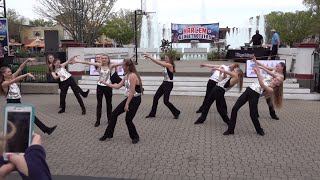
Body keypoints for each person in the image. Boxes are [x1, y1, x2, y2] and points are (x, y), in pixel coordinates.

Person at [223, 56, 284, 136]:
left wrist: (257, 73)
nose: (275, 79)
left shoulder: (271, 89)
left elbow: (262, 84)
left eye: (277, 80)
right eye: (275, 79)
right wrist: (255, 62)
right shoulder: (268, 80)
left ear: (278, 84)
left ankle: (259, 130)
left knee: (253, 114)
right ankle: (231, 130)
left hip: (254, 94)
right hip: (249, 90)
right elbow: (261, 77)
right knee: (235, 108)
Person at [0, 59, 57, 135]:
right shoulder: (4, 83)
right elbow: (15, 80)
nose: (11, 73)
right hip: (11, 104)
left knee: (29, 116)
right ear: (4, 74)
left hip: (18, 102)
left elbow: (20, 68)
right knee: (18, 120)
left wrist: (27, 60)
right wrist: (26, 74)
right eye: (8, 72)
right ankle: (18, 135)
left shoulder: (11, 77)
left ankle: (46, 130)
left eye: (10, 71)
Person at [99, 59, 143, 144]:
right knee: (114, 114)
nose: (121, 67)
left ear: (127, 66)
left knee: (128, 119)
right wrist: (105, 83)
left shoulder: (133, 76)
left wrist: (126, 104)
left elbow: (132, 91)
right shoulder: (127, 75)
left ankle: (135, 137)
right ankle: (108, 134)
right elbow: (118, 86)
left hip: (135, 100)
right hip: (130, 98)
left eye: (123, 65)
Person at [73, 54, 123, 127]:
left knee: (109, 104)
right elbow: (88, 63)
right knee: (99, 104)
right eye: (102, 58)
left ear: (108, 59)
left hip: (108, 86)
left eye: (105, 58)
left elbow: (121, 63)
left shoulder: (111, 66)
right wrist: (77, 61)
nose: (104, 59)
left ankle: (109, 119)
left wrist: (130, 61)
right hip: (100, 87)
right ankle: (98, 121)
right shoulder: (99, 65)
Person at [143, 52, 181, 119]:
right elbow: (160, 63)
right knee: (155, 97)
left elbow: (158, 63)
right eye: (165, 58)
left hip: (169, 84)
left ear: (170, 59)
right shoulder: (166, 65)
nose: (165, 59)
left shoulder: (170, 65)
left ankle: (176, 112)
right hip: (164, 83)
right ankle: (152, 114)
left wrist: (150, 56)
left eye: (167, 58)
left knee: (165, 101)